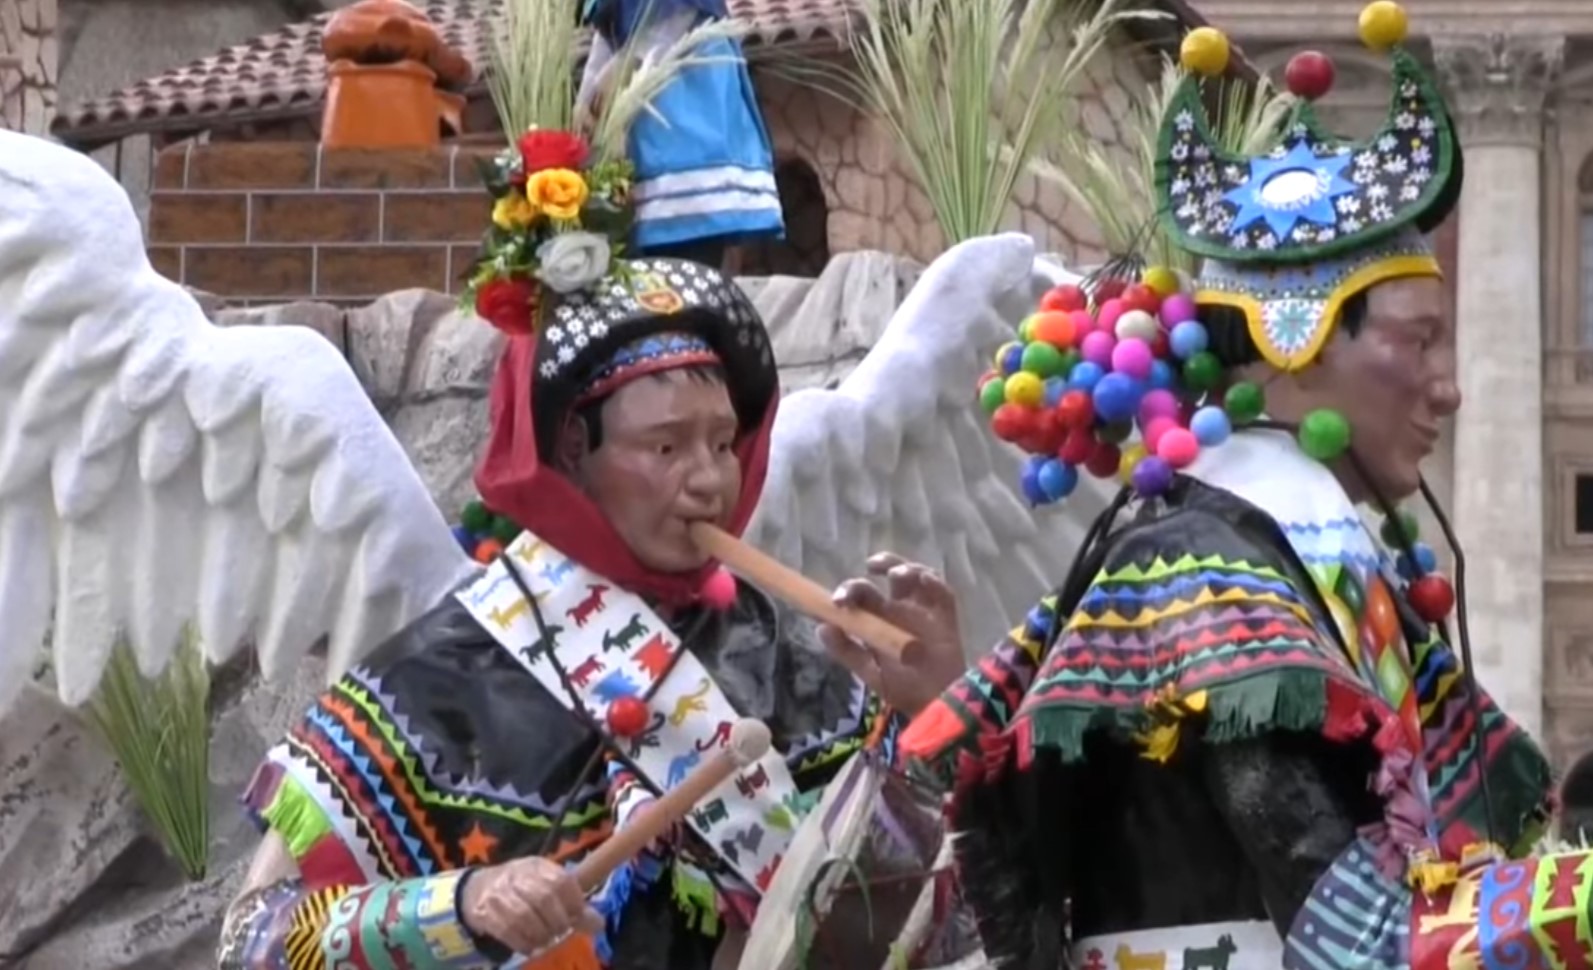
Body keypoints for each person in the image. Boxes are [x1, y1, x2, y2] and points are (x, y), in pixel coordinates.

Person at [839, 5, 1576, 968]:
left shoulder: (1287, 550)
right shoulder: (1203, 578)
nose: (1449, 386)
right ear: (1291, 336)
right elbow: (1359, 937)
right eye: (1417, 340)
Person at [217, 123, 963, 970]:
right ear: (573, 450)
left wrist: (938, 719)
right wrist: (460, 903)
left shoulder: (795, 662)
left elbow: (935, 931)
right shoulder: (438, 679)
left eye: (722, 443)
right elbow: (256, 939)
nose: (708, 481)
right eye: (665, 447)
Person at [576, 0, 785, 268]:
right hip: (636, 113)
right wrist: (587, 98)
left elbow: (680, 14)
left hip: (685, 100)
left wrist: (624, 64)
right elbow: (609, 30)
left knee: (686, 259)